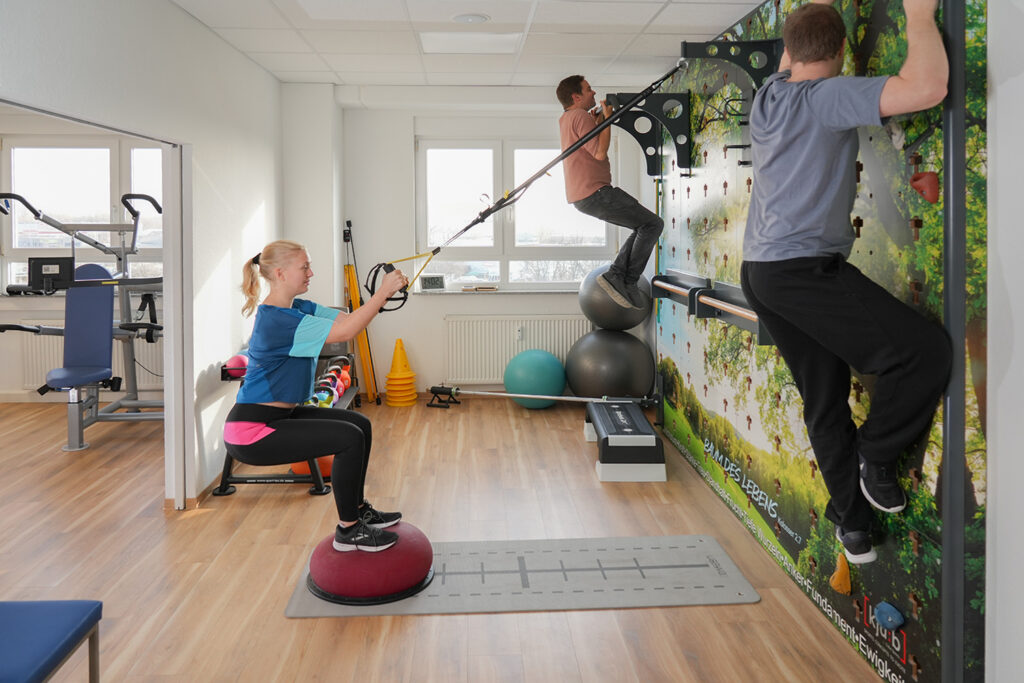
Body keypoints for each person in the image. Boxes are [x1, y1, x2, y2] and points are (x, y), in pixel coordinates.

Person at [740, 0, 951, 564]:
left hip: (761, 271)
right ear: (837, 53)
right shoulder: (827, 97)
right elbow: (927, 87)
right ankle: (874, 459)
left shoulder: (769, 95)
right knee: (924, 353)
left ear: (790, 52)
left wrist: (809, 33)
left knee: (824, 397)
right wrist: (919, 17)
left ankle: (853, 526)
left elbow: (795, 51)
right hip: (800, 270)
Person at [222, 240, 408, 552]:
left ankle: (360, 511)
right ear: (280, 273)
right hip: (253, 430)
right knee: (348, 439)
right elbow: (346, 333)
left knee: (360, 426)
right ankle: (349, 531)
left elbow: (346, 321)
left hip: (280, 416)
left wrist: (380, 297)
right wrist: (381, 294)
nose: (311, 272)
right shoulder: (278, 322)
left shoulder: (298, 309)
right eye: (304, 267)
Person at [556, 75, 664, 310]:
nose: (593, 93)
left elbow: (588, 148)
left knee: (644, 225)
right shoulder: (580, 115)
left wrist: (599, 124)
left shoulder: (566, 119)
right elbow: (599, 153)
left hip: (584, 197)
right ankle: (623, 278)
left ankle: (618, 276)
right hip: (595, 193)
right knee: (653, 224)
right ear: (576, 97)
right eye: (588, 90)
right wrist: (607, 119)